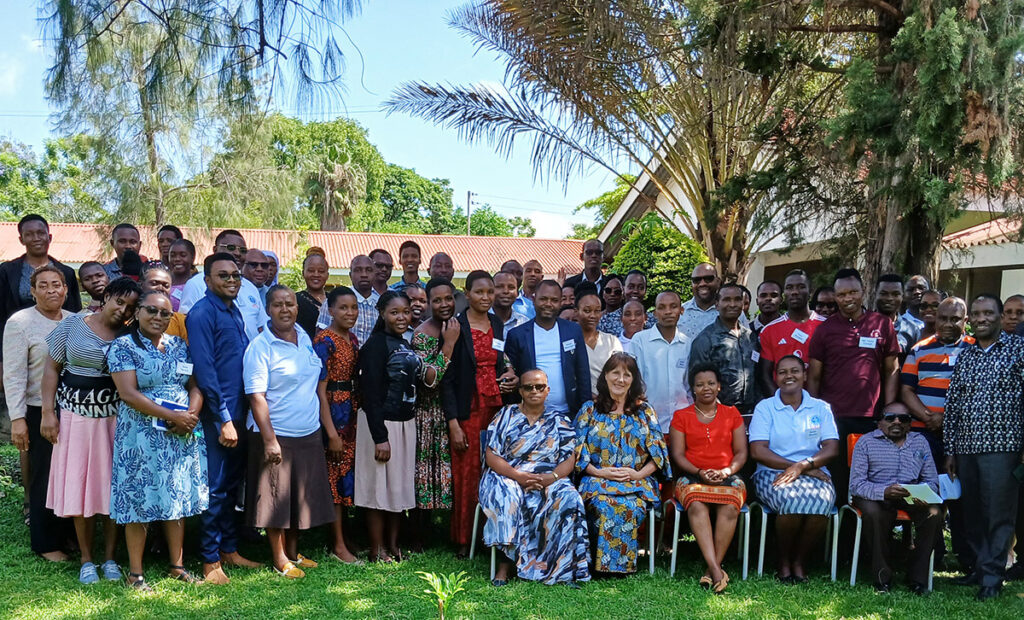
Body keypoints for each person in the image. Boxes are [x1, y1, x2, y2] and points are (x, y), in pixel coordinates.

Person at [41, 277, 141, 585]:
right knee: (80, 486)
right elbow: (51, 369)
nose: (122, 310)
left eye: (130, 306)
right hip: (75, 418)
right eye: (119, 301)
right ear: (106, 297)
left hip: (116, 419)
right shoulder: (72, 326)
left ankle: (110, 557)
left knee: (112, 489)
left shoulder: (130, 334)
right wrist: (47, 412)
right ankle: (87, 559)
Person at [107, 290, 207, 590]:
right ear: (137, 312)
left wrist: (190, 415)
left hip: (179, 434)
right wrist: (172, 416)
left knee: (175, 494)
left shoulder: (179, 345)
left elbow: (195, 385)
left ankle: (177, 566)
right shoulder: (123, 346)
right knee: (139, 498)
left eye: (166, 313)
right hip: (141, 435)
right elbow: (128, 394)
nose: (159, 318)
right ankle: (135, 574)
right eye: (152, 311)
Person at [242, 285, 334, 579]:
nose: (285, 310)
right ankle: (279, 557)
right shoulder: (260, 347)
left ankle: (294, 551)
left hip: (307, 432)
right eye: (278, 305)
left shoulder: (303, 337)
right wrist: (269, 440)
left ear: (297, 307)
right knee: (275, 497)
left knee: (299, 496)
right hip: (276, 434)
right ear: (268, 310)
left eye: (290, 304)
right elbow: (256, 396)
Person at [185, 253, 260, 585]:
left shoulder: (233, 310)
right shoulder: (202, 314)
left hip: (240, 412)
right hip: (219, 416)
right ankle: (210, 560)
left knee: (231, 486)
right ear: (207, 280)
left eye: (235, 275)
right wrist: (225, 419)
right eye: (223, 276)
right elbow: (205, 372)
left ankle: (230, 549)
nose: (232, 280)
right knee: (215, 489)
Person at [943, 294, 1024, 601]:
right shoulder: (967, 355)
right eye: (976, 314)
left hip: (1003, 446)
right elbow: (954, 406)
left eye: (988, 312)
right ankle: (980, 567)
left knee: (998, 515)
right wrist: (950, 449)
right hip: (966, 447)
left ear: (1001, 316)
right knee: (972, 514)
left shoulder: (1018, 350)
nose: (981, 318)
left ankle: (992, 577)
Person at [480, 369, 589, 586]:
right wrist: (517, 476)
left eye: (540, 387)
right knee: (507, 496)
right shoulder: (505, 415)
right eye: (528, 387)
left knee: (569, 498)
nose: (534, 391)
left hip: (547, 477)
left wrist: (552, 477)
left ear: (548, 390)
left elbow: (570, 458)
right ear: (520, 391)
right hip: (507, 475)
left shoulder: (560, 420)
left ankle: (563, 568)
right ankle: (504, 566)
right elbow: (491, 455)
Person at [807, 268, 900, 502]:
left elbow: (891, 370)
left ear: (863, 291)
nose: (847, 299)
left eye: (853, 292)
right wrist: (813, 415)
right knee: (838, 479)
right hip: (833, 418)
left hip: (871, 418)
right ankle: (838, 534)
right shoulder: (824, 330)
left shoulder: (883, 324)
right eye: (841, 295)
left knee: (869, 479)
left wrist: (888, 410)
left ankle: (866, 536)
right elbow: (814, 377)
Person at [442, 271, 517, 555]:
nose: (486, 298)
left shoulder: (496, 323)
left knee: (493, 471)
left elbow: (499, 360)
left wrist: (508, 372)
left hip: (496, 407)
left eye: (490, 292)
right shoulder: (456, 326)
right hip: (468, 409)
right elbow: (447, 380)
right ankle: (463, 539)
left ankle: (490, 536)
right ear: (467, 293)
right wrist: (453, 424)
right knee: (468, 474)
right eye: (479, 292)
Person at [3, 265, 74, 561]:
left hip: (73, 408)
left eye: (56, 284)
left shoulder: (75, 321)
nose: (51, 290)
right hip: (37, 410)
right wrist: (18, 419)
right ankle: (46, 543)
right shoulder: (20, 323)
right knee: (44, 476)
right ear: (32, 291)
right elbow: (14, 374)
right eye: (42, 286)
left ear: (66, 289)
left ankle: (67, 534)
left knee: (68, 474)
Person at [575, 353, 670, 575]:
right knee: (602, 505)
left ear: (634, 380)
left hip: (636, 481)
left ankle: (619, 567)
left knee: (631, 506)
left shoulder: (645, 412)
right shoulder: (589, 410)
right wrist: (599, 472)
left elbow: (658, 455)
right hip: (597, 478)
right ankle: (598, 565)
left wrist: (637, 475)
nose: (620, 379)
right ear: (605, 376)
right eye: (615, 373)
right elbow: (577, 451)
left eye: (627, 374)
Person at [749, 354, 840, 583]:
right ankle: (783, 560)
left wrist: (803, 466)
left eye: (795, 371)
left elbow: (831, 448)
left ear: (805, 375)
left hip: (815, 471)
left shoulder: (820, 407)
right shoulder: (765, 407)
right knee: (789, 501)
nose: (789, 376)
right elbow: (758, 451)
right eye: (782, 372)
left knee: (822, 503)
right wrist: (798, 468)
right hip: (771, 472)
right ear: (776, 377)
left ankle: (799, 560)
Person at [900, 296, 972, 571]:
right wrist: (928, 416)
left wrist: (948, 419)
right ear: (934, 319)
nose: (948, 324)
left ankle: (966, 557)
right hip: (925, 434)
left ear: (965, 321)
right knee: (929, 494)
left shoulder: (974, 350)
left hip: (963, 435)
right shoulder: (918, 349)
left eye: (955, 318)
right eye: (943, 318)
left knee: (962, 496)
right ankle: (935, 552)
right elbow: (907, 390)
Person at [849, 403, 943, 595]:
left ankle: (917, 578)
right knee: (875, 514)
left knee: (934, 514)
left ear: (910, 424)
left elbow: (932, 481)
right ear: (880, 422)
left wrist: (922, 494)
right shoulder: (866, 442)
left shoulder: (920, 442)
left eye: (904, 419)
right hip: (874, 494)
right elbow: (856, 485)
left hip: (910, 495)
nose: (897, 422)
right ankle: (882, 578)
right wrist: (884, 491)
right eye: (890, 418)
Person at [670, 363, 748, 592]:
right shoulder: (681, 416)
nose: (706, 388)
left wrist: (726, 471)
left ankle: (710, 569)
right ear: (692, 389)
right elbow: (677, 455)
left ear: (719, 386)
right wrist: (699, 472)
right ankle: (716, 569)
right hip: (691, 475)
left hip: (728, 473)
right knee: (695, 503)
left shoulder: (732, 414)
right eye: (700, 384)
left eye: (711, 383)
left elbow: (742, 452)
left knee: (731, 505)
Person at [355, 291, 421, 562]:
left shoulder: (404, 342)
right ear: (382, 314)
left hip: (405, 424)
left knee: (398, 488)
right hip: (380, 426)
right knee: (377, 489)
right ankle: (376, 548)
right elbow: (368, 394)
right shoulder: (375, 345)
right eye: (395, 312)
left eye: (405, 311)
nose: (402, 317)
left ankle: (394, 546)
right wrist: (380, 436)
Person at [313, 286, 362, 564]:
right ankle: (337, 544)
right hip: (333, 410)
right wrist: (331, 432)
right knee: (334, 477)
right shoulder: (325, 341)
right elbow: (319, 390)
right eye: (343, 308)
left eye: (354, 308)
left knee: (346, 478)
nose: (350, 313)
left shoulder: (352, 339)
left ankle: (345, 536)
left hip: (351, 410)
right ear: (330, 310)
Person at [410, 279, 460, 525]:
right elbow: (430, 380)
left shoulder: (461, 325)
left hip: (455, 410)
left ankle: (448, 525)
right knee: (424, 471)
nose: (444, 304)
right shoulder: (421, 334)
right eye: (437, 300)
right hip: (428, 412)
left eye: (448, 298)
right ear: (428, 303)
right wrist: (448, 343)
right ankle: (420, 530)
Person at [505, 280, 589, 418]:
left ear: (561, 302)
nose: (548, 304)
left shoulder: (573, 330)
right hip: (530, 414)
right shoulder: (517, 335)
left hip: (568, 413)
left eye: (554, 300)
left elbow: (583, 372)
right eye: (543, 299)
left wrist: (586, 411)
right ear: (533, 299)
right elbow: (511, 373)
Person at [0, 215, 82, 355]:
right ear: (21, 239)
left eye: (40, 233)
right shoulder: (7, 271)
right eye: (29, 234)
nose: (36, 238)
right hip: (15, 342)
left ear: (49, 237)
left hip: (58, 344)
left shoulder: (66, 273)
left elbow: (75, 313)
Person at [178, 230, 265, 341]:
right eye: (231, 248)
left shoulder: (250, 287)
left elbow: (261, 327)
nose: (238, 253)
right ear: (215, 250)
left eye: (242, 250)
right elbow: (186, 326)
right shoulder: (196, 284)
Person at [689, 283, 757, 416]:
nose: (732, 304)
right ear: (717, 304)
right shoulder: (705, 339)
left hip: (751, 412)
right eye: (726, 300)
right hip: (719, 413)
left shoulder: (750, 337)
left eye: (737, 299)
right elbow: (697, 382)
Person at [630, 291, 692, 433]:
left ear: (681, 310)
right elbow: (633, 380)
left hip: (681, 422)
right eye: (662, 307)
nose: (668, 312)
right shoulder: (640, 341)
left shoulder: (687, 343)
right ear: (655, 313)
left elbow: (688, 385)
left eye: (673, 306)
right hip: (647, 422)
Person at [757, 269, 825, 397]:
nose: (794, 292)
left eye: (801, 287)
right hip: (782, 408)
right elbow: (765, 375)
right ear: (784, 294)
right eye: (789, 288)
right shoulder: (769, 331)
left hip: (819, 406)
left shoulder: (826, 327)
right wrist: (781, 404)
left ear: (811, 292)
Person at [576, 285, 622, 397]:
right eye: (587, 311)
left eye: (597, 311)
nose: (592, 315)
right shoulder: (570, 342)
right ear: (576, 311)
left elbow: (620, 372)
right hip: (579, 403)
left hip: (609, 402)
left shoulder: (611, 341)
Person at [138, 264, 188, 341]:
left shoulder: (180, 322)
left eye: (166, 285)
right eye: (154, 283)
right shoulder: (128, 317)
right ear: (141, 285)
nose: (160, 288)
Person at [875, 274, 921, 355]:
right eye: (884, 293)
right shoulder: (862, 325)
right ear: (875, 294)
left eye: (895, 294)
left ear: (902, 296)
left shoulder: (912, 330)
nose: (889, 298)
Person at [679, 263, 721, 341]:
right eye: (696, 280)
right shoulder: (679, 313)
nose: (702, 283)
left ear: (718, 282)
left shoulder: (731, 312)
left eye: (708, 278)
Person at [348, 255, 380, 347]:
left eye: (369, 270)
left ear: (374, 274)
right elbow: (321, 337)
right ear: (350, 275)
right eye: (358, 270)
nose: (364, 275)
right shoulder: (335, 301)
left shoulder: (381, 304)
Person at [296, 252, 329, 339]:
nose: (316, 274)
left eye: (321, 271)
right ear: (303, 273)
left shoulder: (335, 300)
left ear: (327, 275)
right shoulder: (295, 300)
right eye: (311, 271)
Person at [491, 271, 529, 338]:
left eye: (511, 287)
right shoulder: (480, 321)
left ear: (517, 292)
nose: (506, 291)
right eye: (499, 287)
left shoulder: (525, 323)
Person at [167, 239, 196, 311]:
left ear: (192, 257)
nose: (177, 259)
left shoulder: (197, 284)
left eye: (183, 255)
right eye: (172, 255)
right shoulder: (162, 283)